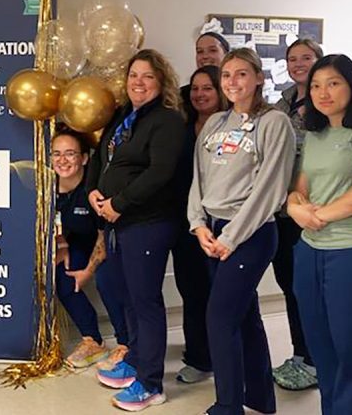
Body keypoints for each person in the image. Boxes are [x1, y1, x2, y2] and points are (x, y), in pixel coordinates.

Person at [188, 47, 295, 415]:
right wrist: (198, 224)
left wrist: (232, 237)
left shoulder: (274, 122)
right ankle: (260, 398)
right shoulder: (215, 123)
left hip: (251, 233)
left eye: (242, 74)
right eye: (227, 76)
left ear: (259, 78)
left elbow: (271, 187)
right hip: (213, 231)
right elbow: (198, 180)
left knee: (219, 318)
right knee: (243, 314)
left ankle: (228, 405)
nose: (233, 82)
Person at [86, 49, 185, 411]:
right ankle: (137, 359)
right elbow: (101, 159)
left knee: (145, 301)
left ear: (161, 81)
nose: (138, 83)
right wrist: (95, 192)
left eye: (147, 76)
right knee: (126, 295)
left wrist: (119, 203)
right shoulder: (125, 116)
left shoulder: (167, 121)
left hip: (148, 223)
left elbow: (159, 173)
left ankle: (151, 384)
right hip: (118, 223)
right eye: (133, 76)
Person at [288, 54, 352, 415]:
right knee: (321, 345)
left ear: (351, 84)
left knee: (351, 347)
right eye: (316, 85)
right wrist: (293, 206)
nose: (323, 92)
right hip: (308, 252)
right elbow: (299, 187)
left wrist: (316, 216)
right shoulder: (315, 133)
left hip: (351, 251)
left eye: (333, 83)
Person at [271, 38, 323, 391]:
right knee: (290, 287)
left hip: (315, 211)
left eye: (307, 58)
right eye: (293, 58)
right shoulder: (285, 99)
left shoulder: (328, 101)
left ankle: (316, 360)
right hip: (283, 210)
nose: (299, 63)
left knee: (310, 290)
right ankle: (301, 355)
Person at [52, 129, 128, 369]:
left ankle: (126, 343)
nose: (62, 160)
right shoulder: (46, 187)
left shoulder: (94, 190)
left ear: (84, 158)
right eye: (56, 154)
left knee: (108, 280)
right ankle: (92, 341)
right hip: (72, 243)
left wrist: (88, 271)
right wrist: (61, 246)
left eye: (70, 154)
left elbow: (104, 235)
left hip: (105, 242)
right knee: (63, 276)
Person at [172, 65, 227, 384]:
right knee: (192, 292)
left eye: (208, 88)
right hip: (186, 223)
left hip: (223, 222)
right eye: (195, 88)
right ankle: (199, 358)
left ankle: (227, 357)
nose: (200, 94)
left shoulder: (233, 127)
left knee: (223, 296)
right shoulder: (181, 126)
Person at [181, 32, 231, 119]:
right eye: (200, 51)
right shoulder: (182, 96)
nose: (205, 56)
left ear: (226, 55)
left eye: (212, 50)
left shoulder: (236, 94)